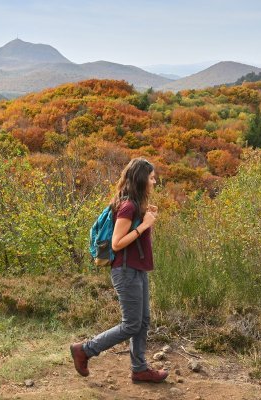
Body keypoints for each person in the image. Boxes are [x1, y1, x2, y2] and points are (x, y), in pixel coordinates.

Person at [70, 157, 168, 383]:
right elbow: (116, 243)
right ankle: (84, 350)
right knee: (132, 323)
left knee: (143, 321)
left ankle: (139, 369)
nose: (154, 183)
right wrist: (144, 225)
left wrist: (143, 217)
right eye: (152, 178)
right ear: (142, 179)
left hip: (137, 269)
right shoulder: (128, 206)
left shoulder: (135, 205)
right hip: (125, 271)